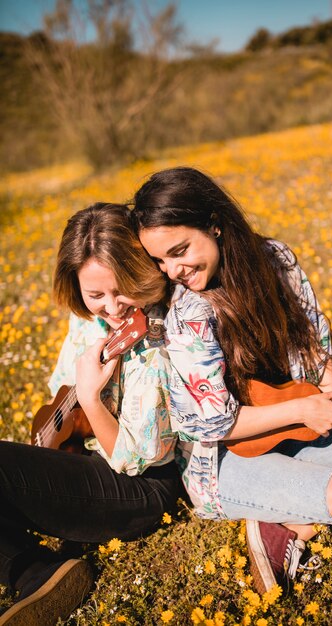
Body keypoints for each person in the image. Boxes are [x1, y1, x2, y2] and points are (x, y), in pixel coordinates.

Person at [132, 166, 332, 593]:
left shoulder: (276, 261)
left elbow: (315, 353)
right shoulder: (188, 314)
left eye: (180, 250)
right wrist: (303, 409)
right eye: (160, 260)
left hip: (300, 436)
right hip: (224, 464)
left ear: (215, 224)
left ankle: (291, 521)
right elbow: (212, 424)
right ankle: (306, 503)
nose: (172, 270)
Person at [0, 203, 180, 625]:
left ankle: (33, 571)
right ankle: (38, 575)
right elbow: (61, 389)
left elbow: (135, 461)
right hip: (84, 454)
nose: (113, 307)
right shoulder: (85, 320)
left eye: (123, 289)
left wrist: (93, 399)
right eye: (95, 294)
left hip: (142, 487)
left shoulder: (158, 342)